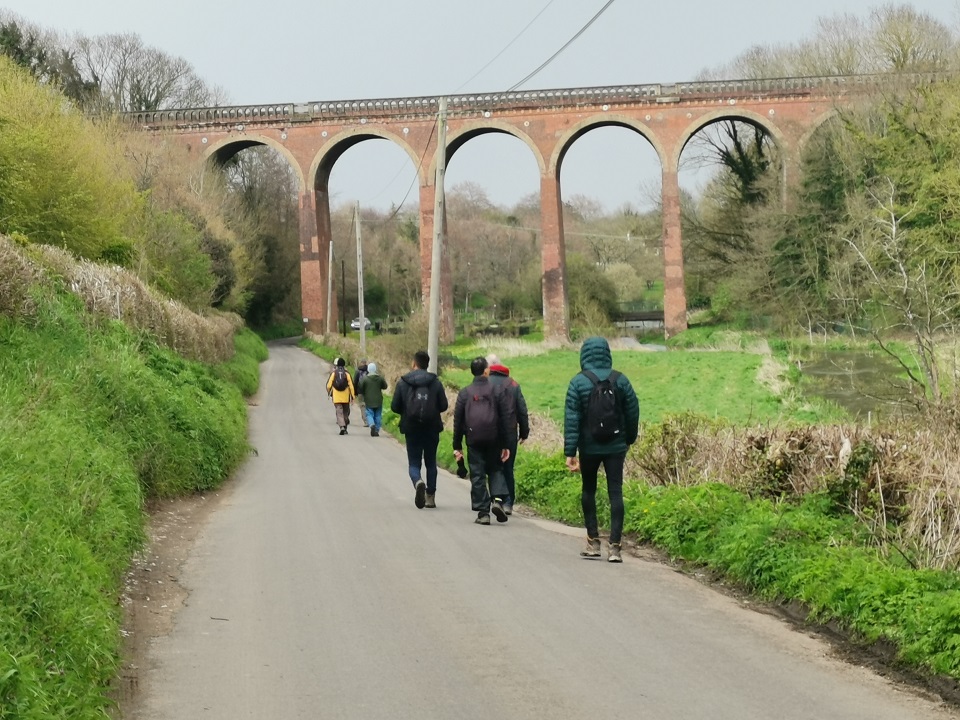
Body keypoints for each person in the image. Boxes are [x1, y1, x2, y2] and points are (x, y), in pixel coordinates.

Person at [563, 337, 639, 562]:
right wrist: (629, 439)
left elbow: (572, 419)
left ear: (584, 355)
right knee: (616, 492)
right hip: (616, 446)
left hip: (589, 447)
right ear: (607, 353)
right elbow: (633, 410)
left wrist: (570, 452)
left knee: (589, 490)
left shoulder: (578, 382)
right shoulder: (621, 380)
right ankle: (615, 547)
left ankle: (593, 542)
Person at [453, 357, 511, 525]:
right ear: (486, 371)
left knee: (477, 474)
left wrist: (457, 445)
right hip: (494, 438)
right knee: (496, 469)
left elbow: (458, 421)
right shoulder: (497, 390)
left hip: (473, 439)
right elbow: (505, 418)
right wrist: (506, 443)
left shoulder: (465, 393)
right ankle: (498, 501)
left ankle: (483, 513)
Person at [391, 350, 448, 509]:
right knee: (431, 462)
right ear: (427, 364)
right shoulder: (435, 382)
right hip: (431, 428)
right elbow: (444, 406)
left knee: (414, 462)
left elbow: (395, 406)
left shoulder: (403, 382)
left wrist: (406, 410)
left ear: (414, 363)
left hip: (412, 427)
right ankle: (430, 497)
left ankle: (418, 481)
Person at [486, 353, 529, 515]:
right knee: (508, 467)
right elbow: (522, 411)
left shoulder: (485, 383)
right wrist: (524, 432)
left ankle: (495, 499)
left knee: (493, 466)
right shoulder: (513, 384)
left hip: (489, 432)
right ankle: (508, 503)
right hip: (510, 432)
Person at [325, 356, 356, 435]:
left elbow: (328, 385)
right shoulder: (347, 373)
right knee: (346, 412)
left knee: (339, 412)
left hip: (336, 396)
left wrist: (329, 392)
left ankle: (341, 426)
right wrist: (353, 396)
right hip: (346, 397)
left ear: (337, 365)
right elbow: (351, 386)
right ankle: (345, 426)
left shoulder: (334, 373)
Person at [358, 362, 388, 437]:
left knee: (369, 413)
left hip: (368, 400)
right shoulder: (380, 378)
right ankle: (377, 430)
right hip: (378, 400)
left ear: (368, 369)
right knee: (378, 415)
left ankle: (371, 424)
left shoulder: (365, 379)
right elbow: (385, 386)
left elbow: (360, 388)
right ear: (375, 369)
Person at [353, 359, 369, 426]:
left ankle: (366, 421)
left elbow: (355, 382)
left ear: (361, 363)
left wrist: (355, 392)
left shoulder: (358, 371)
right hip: (368, 391)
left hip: (360, 391)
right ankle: (370, 420)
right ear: (366, 363)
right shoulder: (369, 371)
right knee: (368, 406)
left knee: (362, 406)